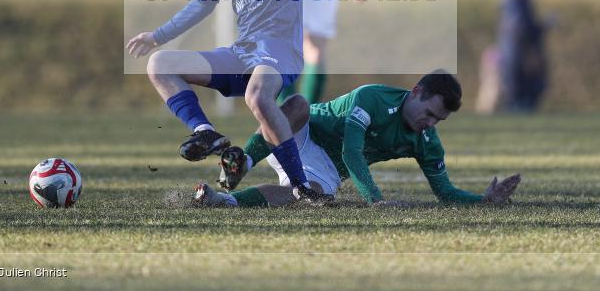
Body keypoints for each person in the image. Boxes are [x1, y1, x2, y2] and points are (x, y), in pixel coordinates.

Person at [126, 0, 414, 201]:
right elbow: (201, 5)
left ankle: (301, 186)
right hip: (242, 53)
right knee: (159, 64)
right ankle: (206, 133)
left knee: (258, 96)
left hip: (280, 49)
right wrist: (157, 36)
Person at [194, 71, 521, 207]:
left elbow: (445, 192)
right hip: (303, 131)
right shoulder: (373, 98)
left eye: (438, 120)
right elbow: (352, 151)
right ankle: (242, 163)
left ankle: (224, 201)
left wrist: (482, 200)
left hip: (326, 169)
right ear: (416, 92)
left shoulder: (427, 141)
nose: (430, 123)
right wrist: (375, 201)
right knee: (297, 105)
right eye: (430, 113)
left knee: (309, 195)